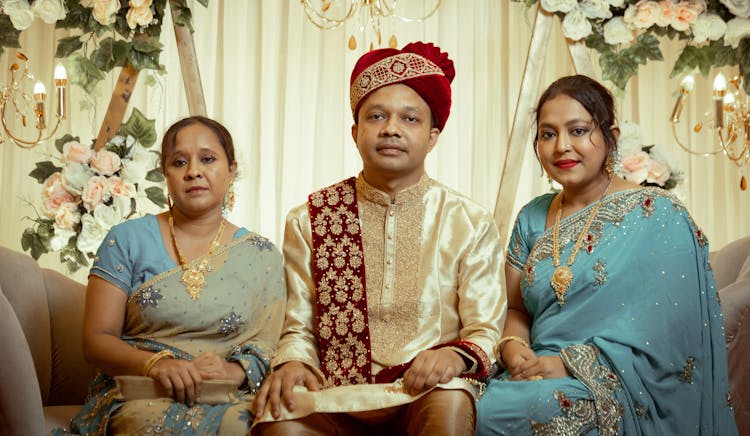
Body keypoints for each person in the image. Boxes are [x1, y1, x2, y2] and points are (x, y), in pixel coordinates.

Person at [251, 42, 506, 435]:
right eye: (377, 116)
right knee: (279, 416)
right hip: (332, 395)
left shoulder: (468, 222)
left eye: (410, 119)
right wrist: (294, 363)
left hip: (425, 390)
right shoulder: (312, 219)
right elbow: (298, 325)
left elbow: (484, 329)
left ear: (433, 136)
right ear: (356, 132)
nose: (392, 128)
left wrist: (456, 356)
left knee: (452, 399)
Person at [475, 75, 738, 435]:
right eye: (548, 134)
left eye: (579, 131)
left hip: (612, 383)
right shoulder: (531, 216)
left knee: (513, 412)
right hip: (531, 371)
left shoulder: (656, 212)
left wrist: (571, 365)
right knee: (454, 402)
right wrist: (512, 347)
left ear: (611, 136)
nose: (561, 146)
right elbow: (515, 307)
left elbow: (672, 331)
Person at [68, 116, 286, 434]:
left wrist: (236, 370)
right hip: (143, 394)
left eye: (208, 159)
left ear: (231, 170)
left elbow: (274, 341)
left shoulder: (261, 254)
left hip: (234, 396)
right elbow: (96, 340)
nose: (193, 171)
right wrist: (155, 365)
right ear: (165, 174)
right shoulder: (127, 239)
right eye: (179, 162)